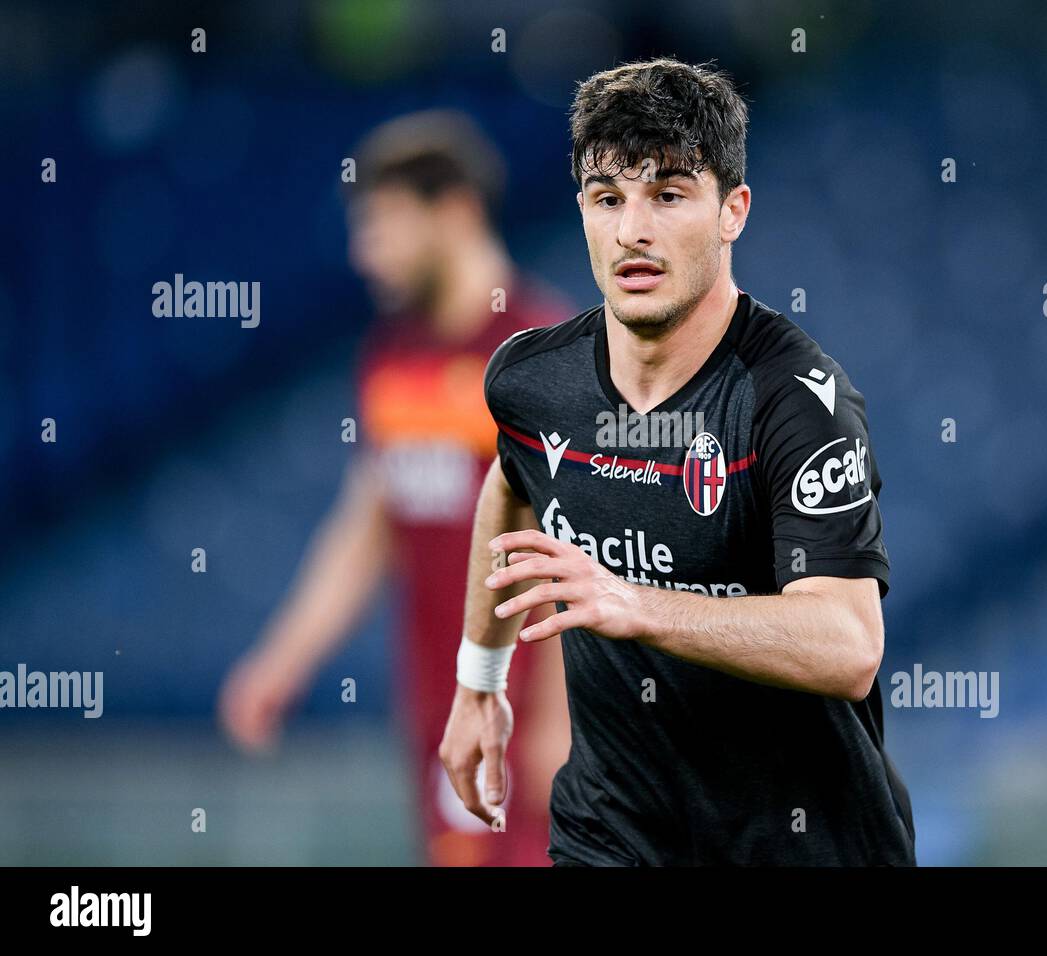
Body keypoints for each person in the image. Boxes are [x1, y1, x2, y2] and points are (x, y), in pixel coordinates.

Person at [438, 58, 916, 865]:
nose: (633, 231)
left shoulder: (794, 400)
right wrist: (480, 678)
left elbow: (847, 644)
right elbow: (512, 482)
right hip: (613, 832)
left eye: (668, 194)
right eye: (608, 198)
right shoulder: (531, 380)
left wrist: (636, 604)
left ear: (733, 210)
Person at [218, 110, 572, 866]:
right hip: (442, 718)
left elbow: (598, 541)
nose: (363, 253)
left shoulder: (545, 354)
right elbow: (370, 523)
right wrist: (281, 663)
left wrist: (567, 718)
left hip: (537, 730)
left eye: (381, 225)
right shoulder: (391, 359)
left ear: (455, 213)